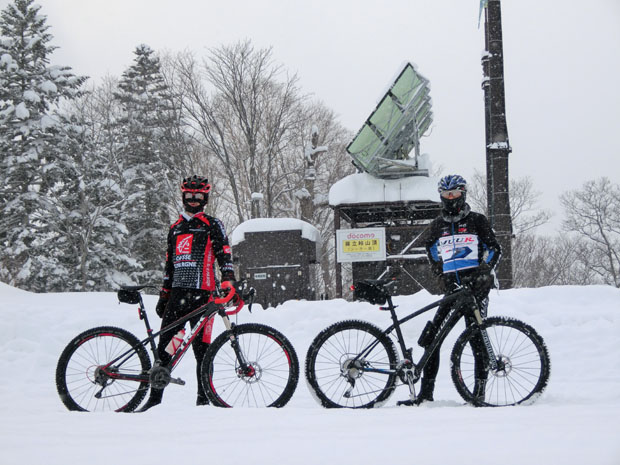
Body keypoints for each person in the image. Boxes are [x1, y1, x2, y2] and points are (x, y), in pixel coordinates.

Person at [137, 175, 236, 412]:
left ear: (206, 198)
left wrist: (229, 278)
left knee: (203, 352)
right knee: (164, 350)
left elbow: (224, 252)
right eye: (190, 196)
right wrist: (164, 294)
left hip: (204, 296)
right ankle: (154, 400)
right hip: (177, 296)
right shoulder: (175, 228)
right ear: (183, 196)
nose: (193, 200)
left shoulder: (213, 223)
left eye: (199, 196)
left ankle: (203, 400)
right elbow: (169, 265)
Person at [407, 174, 501, 406]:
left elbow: (494, 249)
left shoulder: (477, 220)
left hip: (475, 290)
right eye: (446, 195)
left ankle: (479, 393)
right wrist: (441, 274)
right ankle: (425, 394)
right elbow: (430, 251)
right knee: (433, 339)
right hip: (452, 289)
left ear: (463, 194)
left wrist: (484, 270)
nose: (451, 198)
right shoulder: (438, 225)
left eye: (455, 194)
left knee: (476, 339)